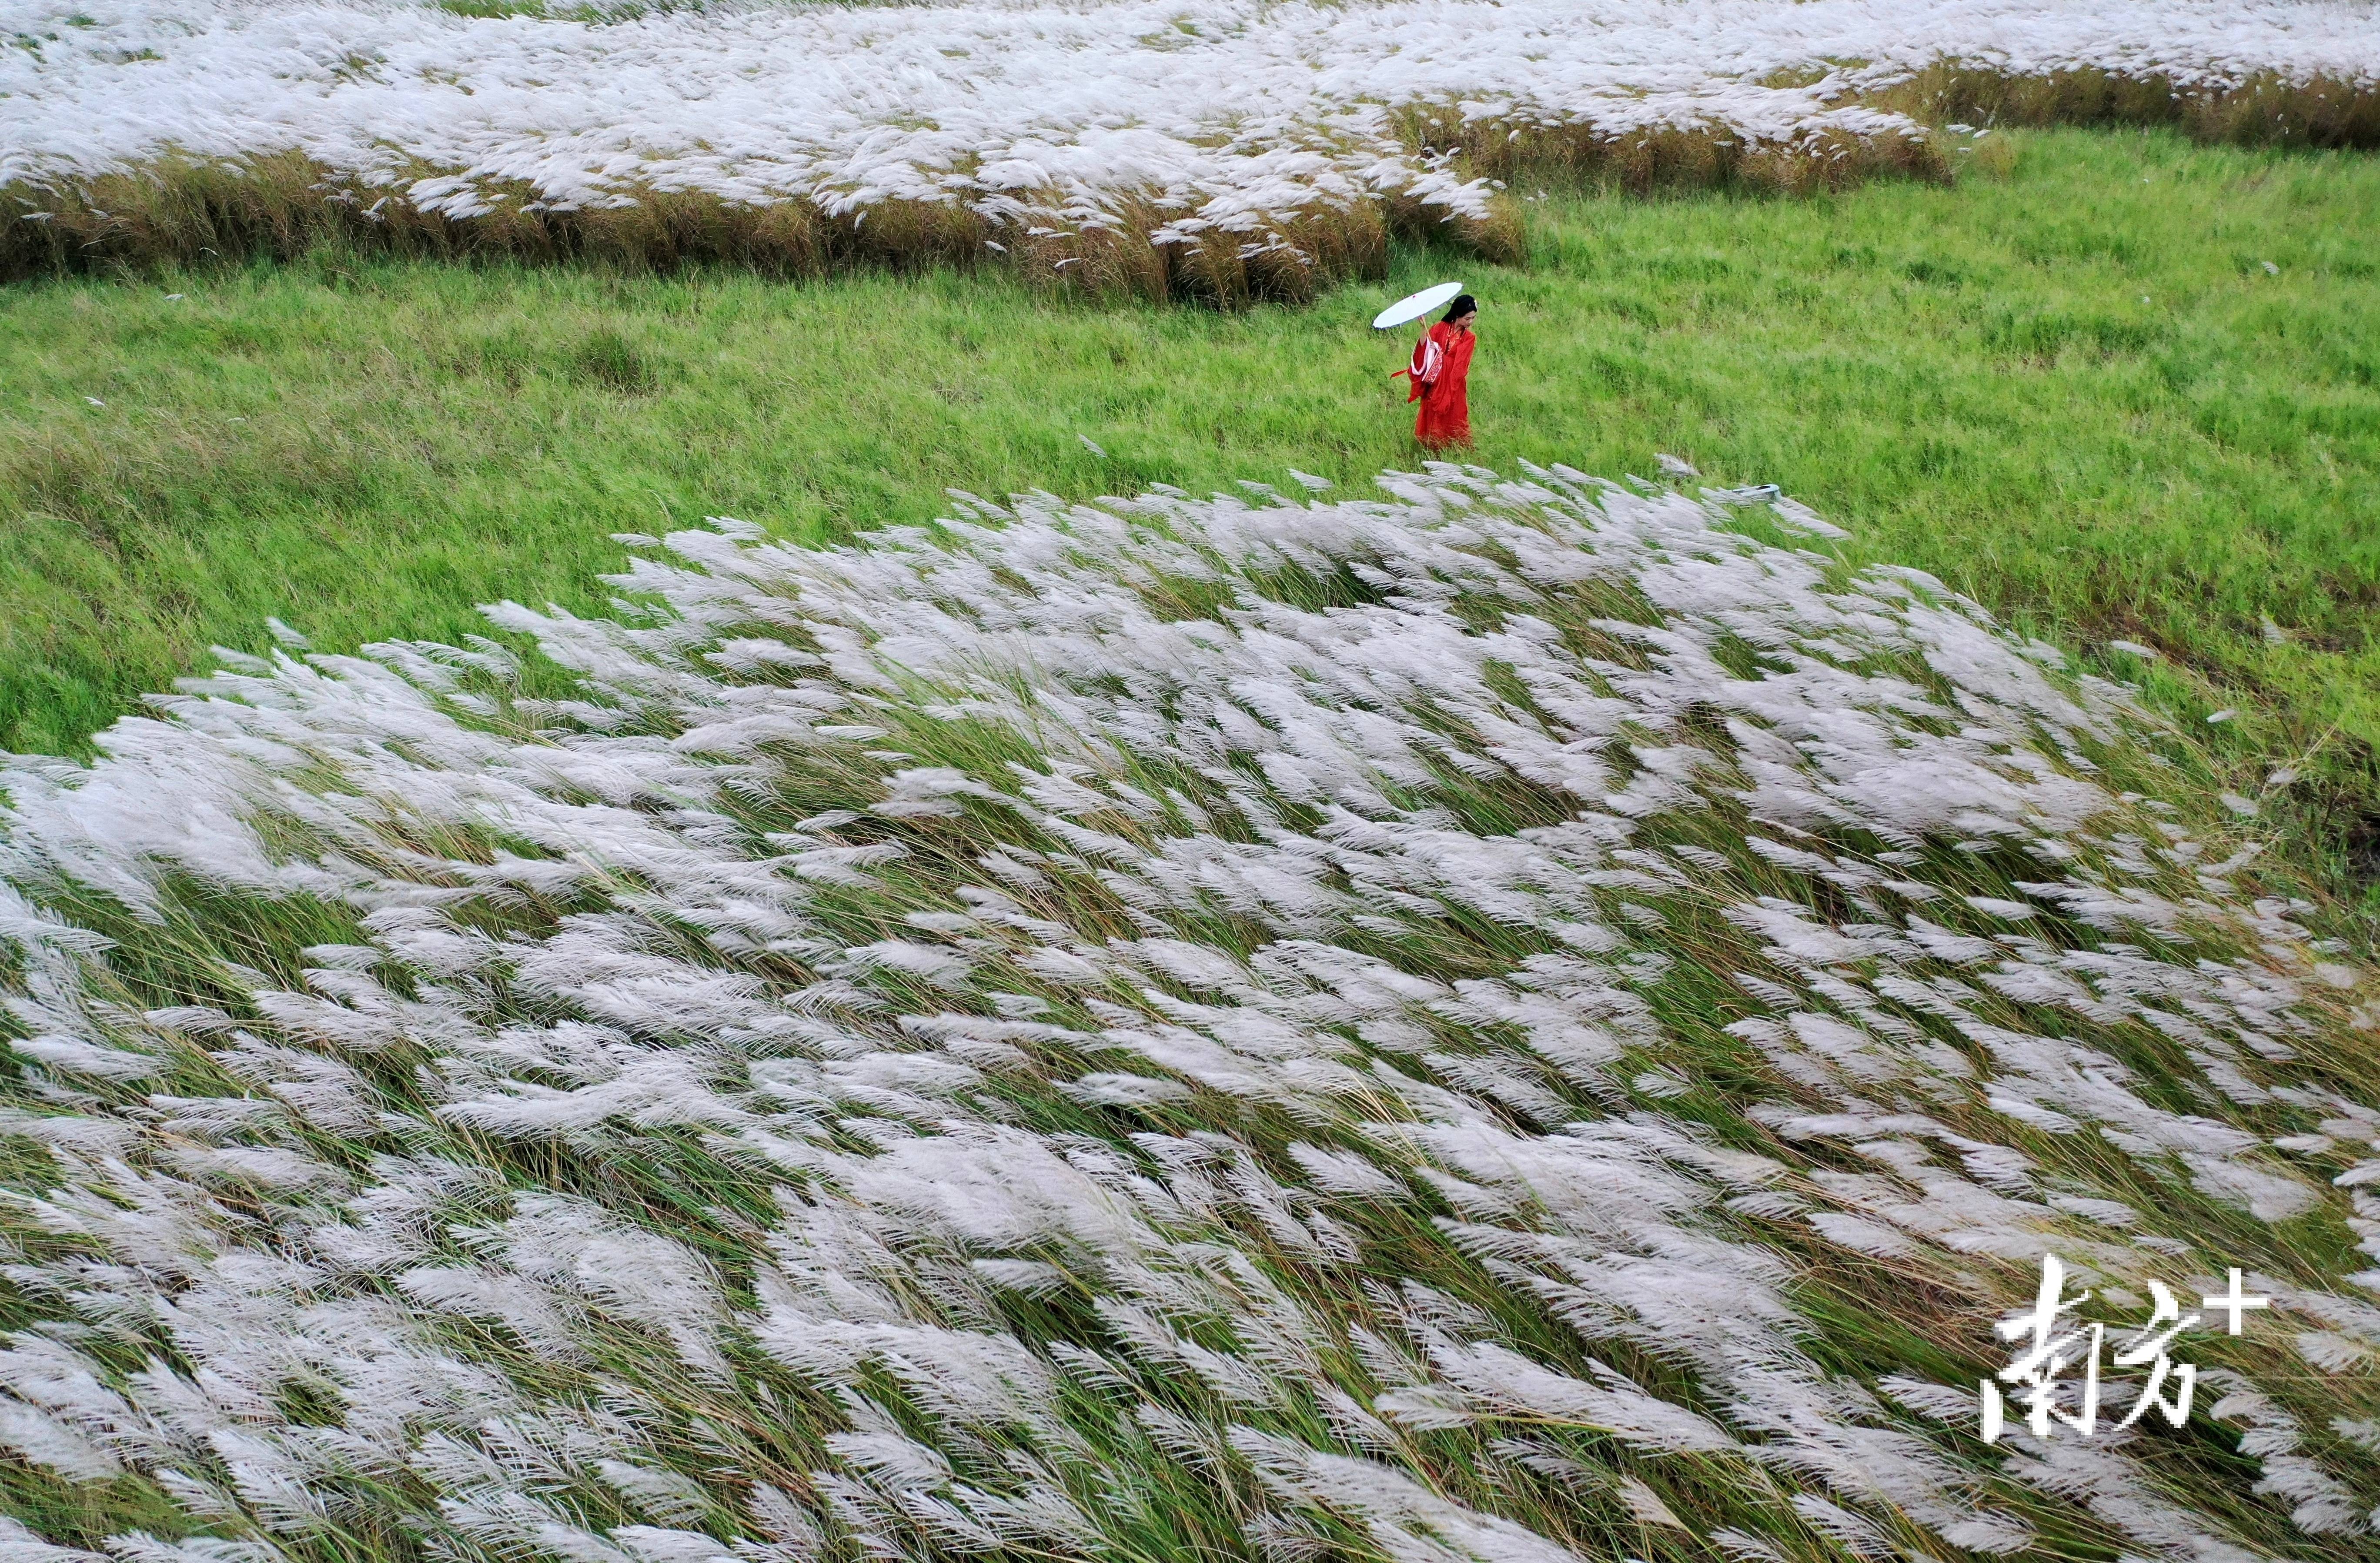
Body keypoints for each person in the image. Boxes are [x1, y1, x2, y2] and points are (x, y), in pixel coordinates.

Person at [1396, 293, 1477, 449]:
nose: (1471, 322)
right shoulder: (1439, 329)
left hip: (1453, 385)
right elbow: (1423, 349)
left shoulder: (1469, 338)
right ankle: (1433, 447)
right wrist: (1423, 330)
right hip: (1435, 383)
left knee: (1454, 416)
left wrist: (1440, 355)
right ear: (1457, 315)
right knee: (1432, 415)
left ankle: (1454, 448)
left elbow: (1461, 366)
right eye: (1468, 318)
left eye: (1473, 318)